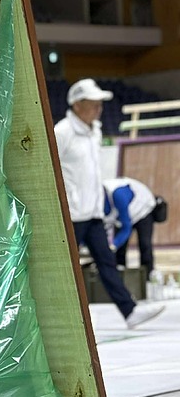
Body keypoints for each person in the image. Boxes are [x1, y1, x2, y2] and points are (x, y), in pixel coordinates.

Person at [54, 79, 164, 330]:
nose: (99, 109)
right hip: (71, 214)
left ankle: (130, 311)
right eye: (93, 104)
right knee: (64, 269)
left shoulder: (95, 131)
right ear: (78, 105)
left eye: (99, 104)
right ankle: (58, 318)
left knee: (107, 263)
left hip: (92, 214)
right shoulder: (62, 133)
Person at [103, 176, 158, 276]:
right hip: (121, 213)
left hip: (142, 210)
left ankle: (147, 276)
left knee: (144, 244)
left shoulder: (118, 195)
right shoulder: (95, 199)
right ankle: (119, 274)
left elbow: (126, 228)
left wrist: (113, 245)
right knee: (121, 249)